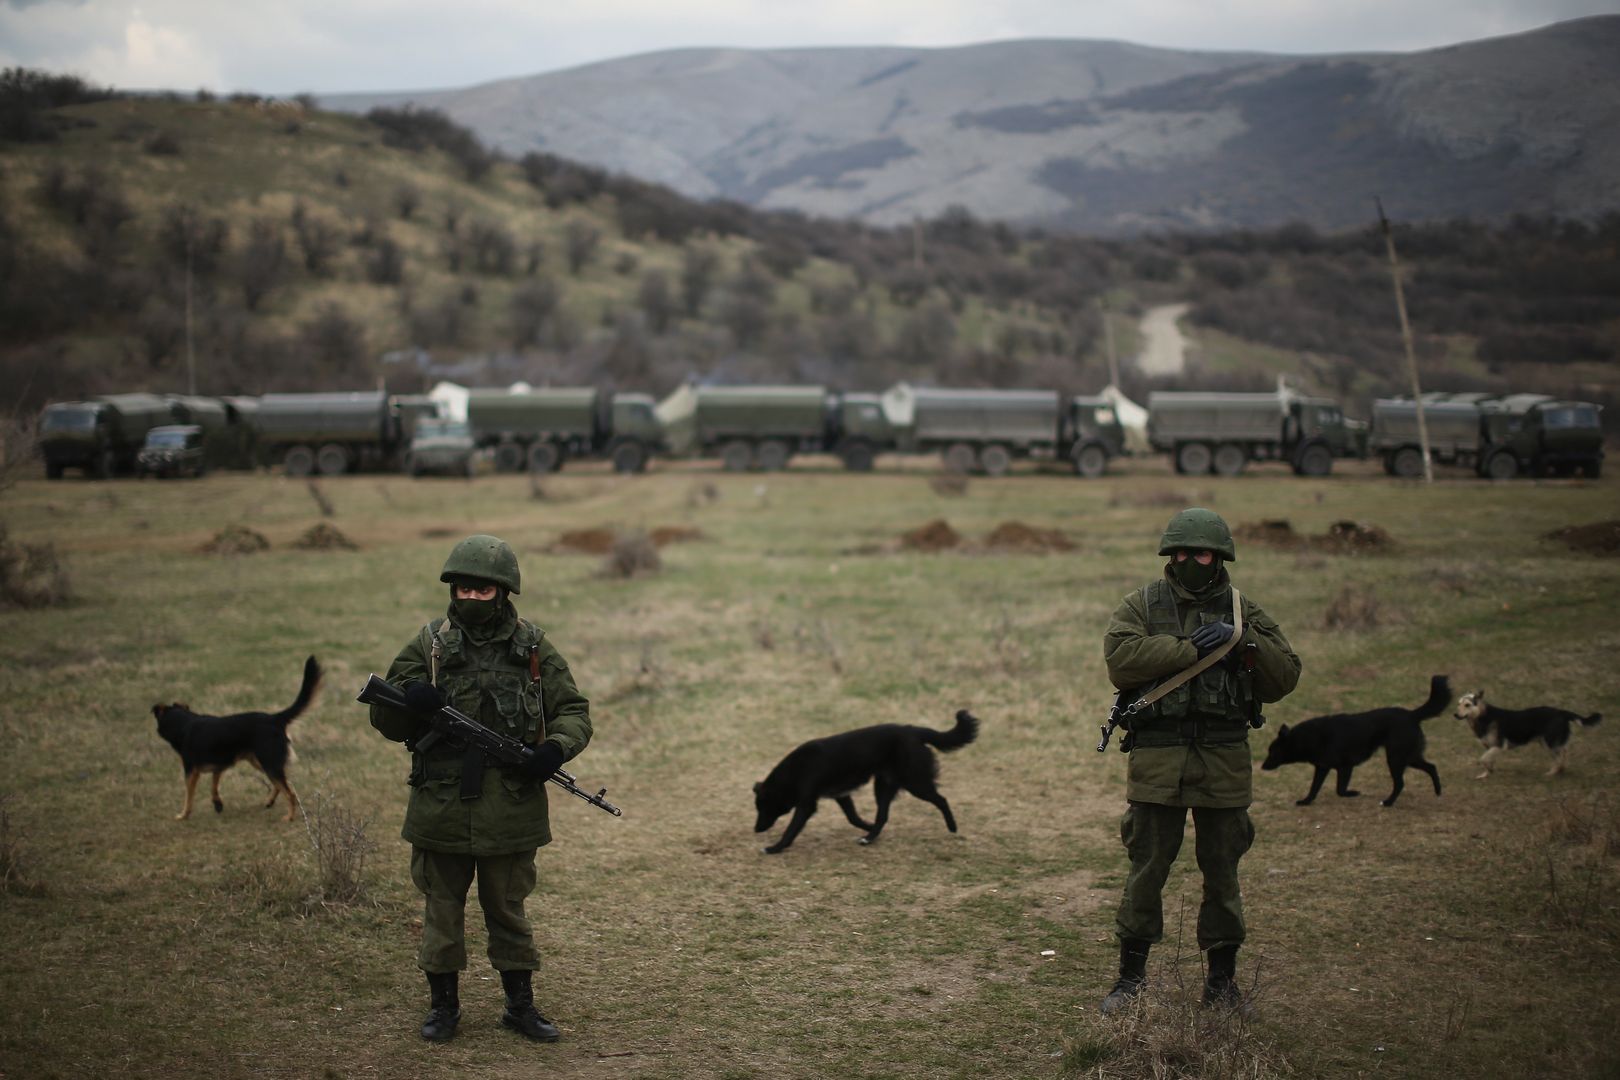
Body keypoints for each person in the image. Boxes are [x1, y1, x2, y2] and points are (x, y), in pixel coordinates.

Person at [369, 534, 593, 1044]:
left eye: (482, 592)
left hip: (510, 809)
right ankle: (443, 1009)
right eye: (464, 590)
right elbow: (383, 716)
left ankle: (520, 1006)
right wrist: (411, 704)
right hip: (440, 805)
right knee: (442, 912)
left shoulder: (533, 647)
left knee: (508, 910)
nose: (471, 599)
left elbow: (573, 711)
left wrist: (554, 750)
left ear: (504, 593)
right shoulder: (428, 644)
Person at [1098, 508, 1300, 1014]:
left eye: (1201, 553)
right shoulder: (1142, 604)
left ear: (1220, 558)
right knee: (1146, 868)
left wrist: (1243, 646)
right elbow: (1121, 661)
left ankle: (1222, 984)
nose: (1190, 561)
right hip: (1158, 757)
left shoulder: (1242, 610)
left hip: (1223, 757)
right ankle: (1130, 980)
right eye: (1182, 553)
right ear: (1170, 555)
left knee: (1223, 872)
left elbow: (1285, 677)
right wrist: (1188, 649)